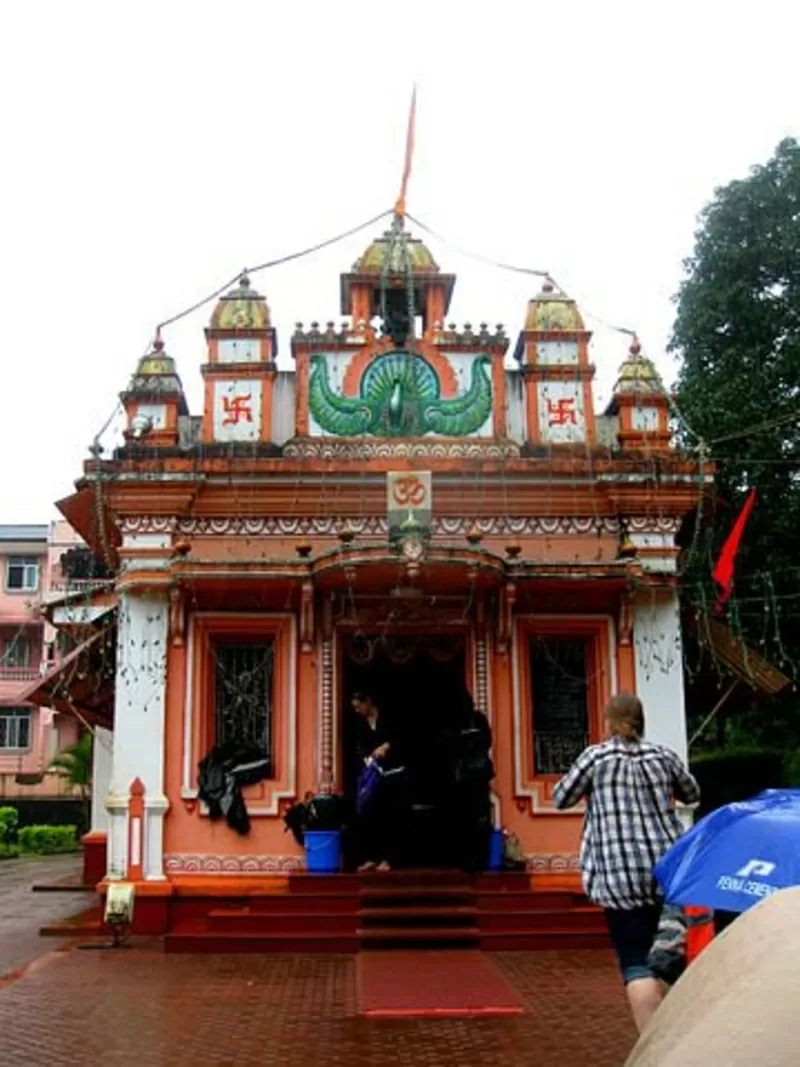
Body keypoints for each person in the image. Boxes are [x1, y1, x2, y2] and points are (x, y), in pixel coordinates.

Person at [552, 692, 700, 1035]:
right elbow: (692, 794)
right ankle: (680, 1033)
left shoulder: (595, 758)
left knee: (636, 963)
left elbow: (561, 797)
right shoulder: (663, 756)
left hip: (618, 877)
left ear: (609, 721)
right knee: (669, 955)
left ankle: (653, 1046)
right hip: (667, 871)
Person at [624, 887, 800, 1066]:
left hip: (774, 997)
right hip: (708, 994)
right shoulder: (696, 886)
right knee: (640, 987)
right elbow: (664, 957)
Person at [444, 691, 494, 872]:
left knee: (477, 820)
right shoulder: (454, 721)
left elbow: (487, 741)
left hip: (474, 778)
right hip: (465, 778)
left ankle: (478, 861)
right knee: (465, 820)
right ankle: (468, 860)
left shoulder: (477, 719)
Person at [351, 691, 394, 872]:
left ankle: (387, 859)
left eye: (359, 706)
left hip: (392, 774)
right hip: (371, 774)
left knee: (387, 815)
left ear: (368, 701)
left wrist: (387, 746)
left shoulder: (388, 718)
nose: (357, 710)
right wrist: (369, 759)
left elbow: (398, 739)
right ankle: (370, 857)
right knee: (367, 814)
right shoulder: (360, 725)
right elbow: (359, 749)